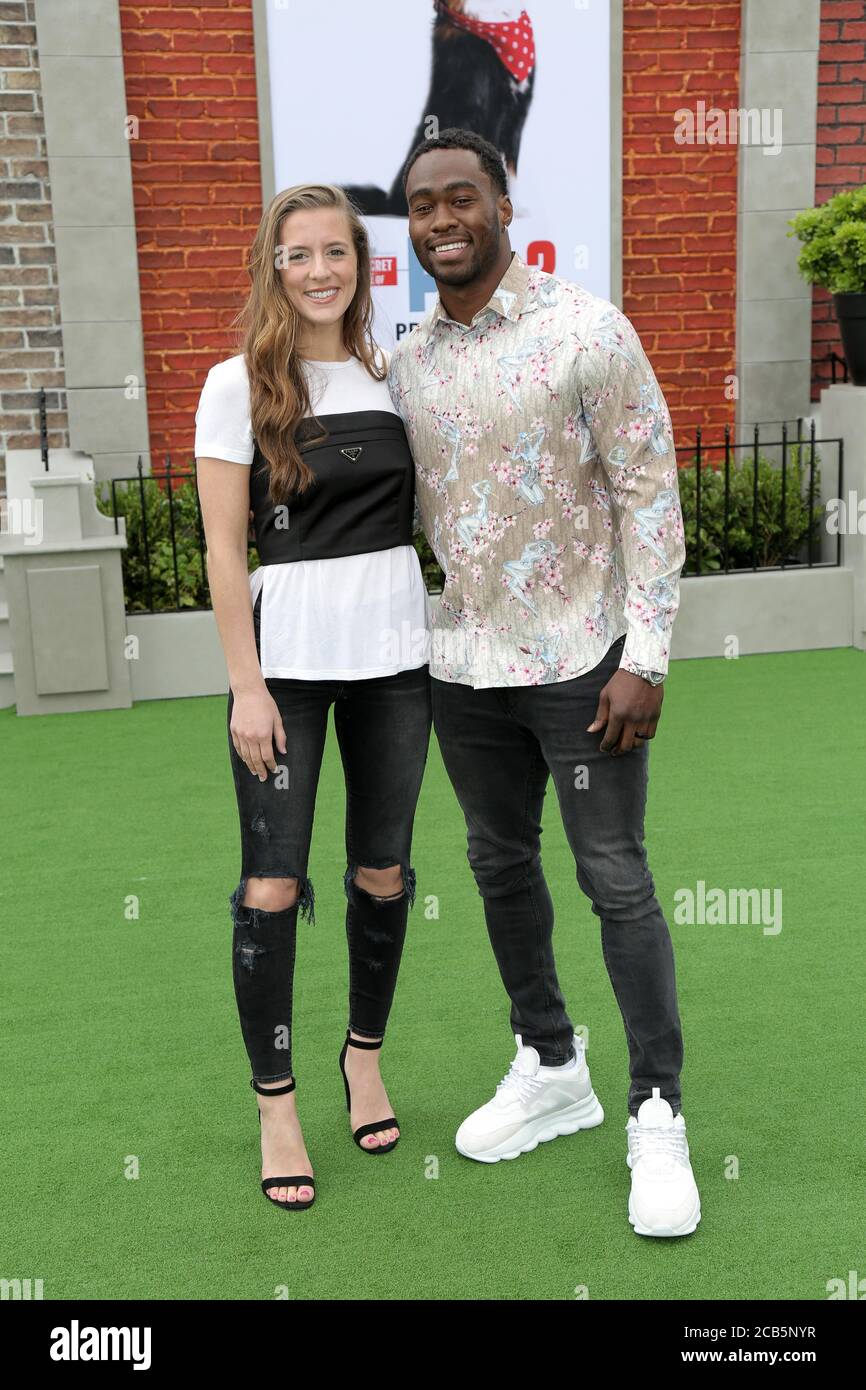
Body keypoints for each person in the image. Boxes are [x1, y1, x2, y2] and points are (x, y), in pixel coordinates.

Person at [387, 128, 700, 1237]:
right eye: (421, 206)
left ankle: (654, 1108)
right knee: (496, 864)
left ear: (502, 201)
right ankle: (550, 1060)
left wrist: (645, 655)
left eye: (459, 197)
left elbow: (648, 496)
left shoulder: (585, 331)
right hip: (465, 667)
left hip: (584, 666)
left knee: (613, 876)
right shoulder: (407, 358)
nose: (440, 221)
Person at [195, 184, 432, 1212]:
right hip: (282, 670)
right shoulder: (235, 383)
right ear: (273, 267)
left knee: (380, 872)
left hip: (393, 663)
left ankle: (363, 1056)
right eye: (299, 254)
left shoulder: (391, 375)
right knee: (272, 885)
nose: (320, 269)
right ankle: (277, 1102)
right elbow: (220, 542)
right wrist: (245, 685)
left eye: (337, 250)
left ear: (362, 264)